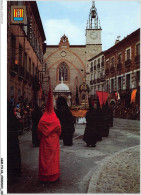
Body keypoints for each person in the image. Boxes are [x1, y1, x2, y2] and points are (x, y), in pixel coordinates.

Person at [38, 85, 61, 182]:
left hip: (44, 142)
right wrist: (55, 136)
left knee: (44, 159)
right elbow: (59, 130)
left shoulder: (43, 119)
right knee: (53, 159)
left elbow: (39, 130)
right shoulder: (55, 119)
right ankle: (53, 175)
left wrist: (42, 137)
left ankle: (44, 175)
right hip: (54, 141)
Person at [7, 101, 21, 184]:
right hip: (13, 141)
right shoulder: (13, 118)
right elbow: (17, 126)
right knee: (13, 158)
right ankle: (13, 175)